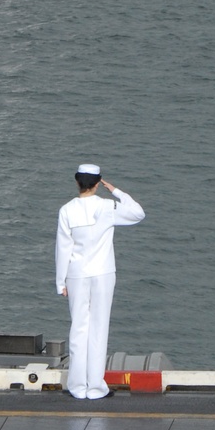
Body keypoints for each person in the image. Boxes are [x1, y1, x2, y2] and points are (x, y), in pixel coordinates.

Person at [55, 163, 145, 400]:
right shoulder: (107, 207)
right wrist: (116, 191)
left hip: (76, 274)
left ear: (77, 182)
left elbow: (63, 248)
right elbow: (138, 213)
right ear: (97, 184)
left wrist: (60, 282)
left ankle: (77, 386)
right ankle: (95, 387)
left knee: (78, 329)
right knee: (99, 328)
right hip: (103, 273)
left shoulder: (66, 210)